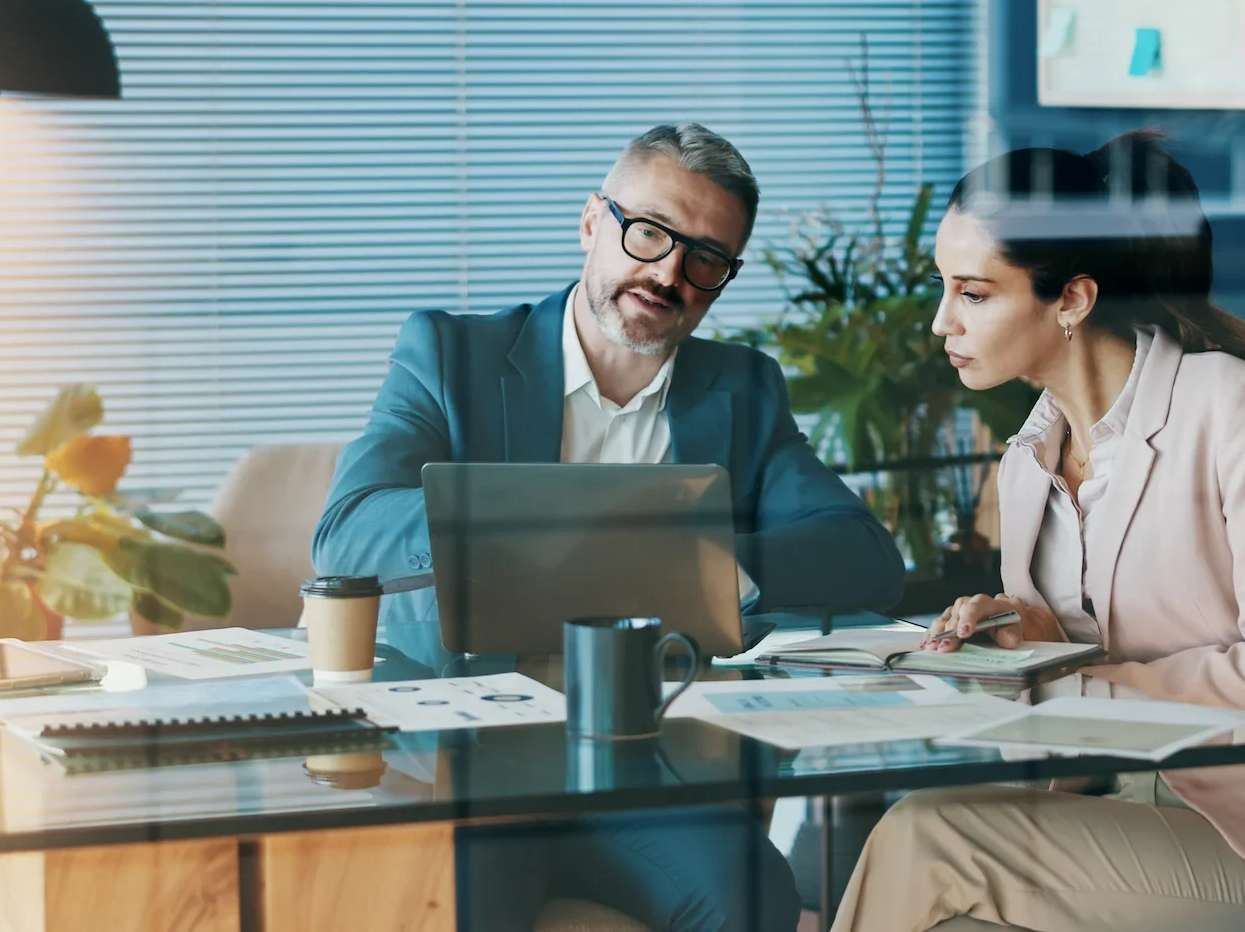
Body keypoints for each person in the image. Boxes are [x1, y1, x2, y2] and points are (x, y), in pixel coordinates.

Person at [314, 123, 904, 932]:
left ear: (722, 279)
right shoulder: (451, 354)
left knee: (752, 894)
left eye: (704, 258)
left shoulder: (743, 389)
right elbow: (347, 534)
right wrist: (547, 524)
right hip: (470, 755)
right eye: (650, 232)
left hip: (641, 763)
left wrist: (694, 558)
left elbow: (862, 557)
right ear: (594, 222)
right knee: (465, 896)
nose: (668, 272)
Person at [830, 135, 1245, 932]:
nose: (939, 322)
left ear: (1071, 299)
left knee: (928, 833)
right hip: (1111, 809)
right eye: (943, 288)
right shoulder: (1027, 463)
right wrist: (1026, 641)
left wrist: (1082, 681)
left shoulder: (1235, 404)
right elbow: (1071, 694)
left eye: (975, 293)